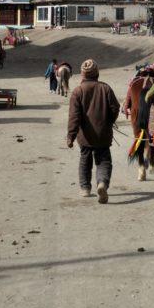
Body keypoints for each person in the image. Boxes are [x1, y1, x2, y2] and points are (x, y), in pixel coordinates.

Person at [66, 59, 119, 203]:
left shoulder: (78, 91)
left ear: (83, 74)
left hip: (85, 136)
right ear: (97, 73)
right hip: (103, 134)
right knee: (104, 161)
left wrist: (70, 136)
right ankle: (102, 183)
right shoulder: (106, 88)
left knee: (85, 160)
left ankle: (85, 188)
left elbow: (74, 117)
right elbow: (115, 108)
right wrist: (109, 121)